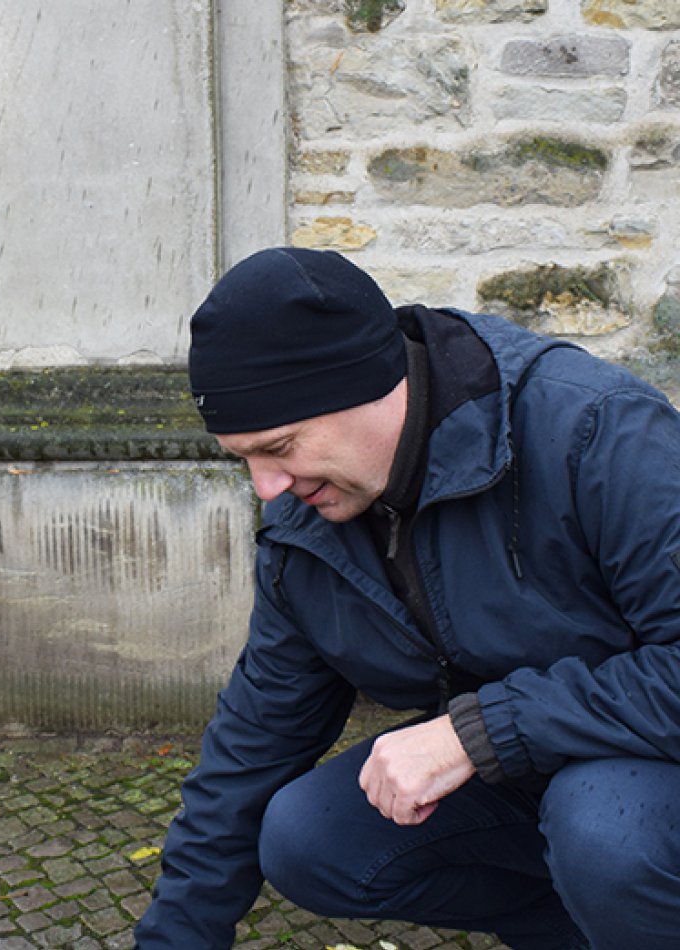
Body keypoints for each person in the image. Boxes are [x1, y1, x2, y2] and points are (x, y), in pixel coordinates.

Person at [134, 247, 680, 950]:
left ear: (365, 387)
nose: (267, 486)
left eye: (281, 446)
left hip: (645, 766)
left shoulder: (597, 432)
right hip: (526, 769)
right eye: (245, 459)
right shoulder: (306, 527)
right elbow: (252, 747)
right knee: (307, 837)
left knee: (605, 832)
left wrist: (477, 732)